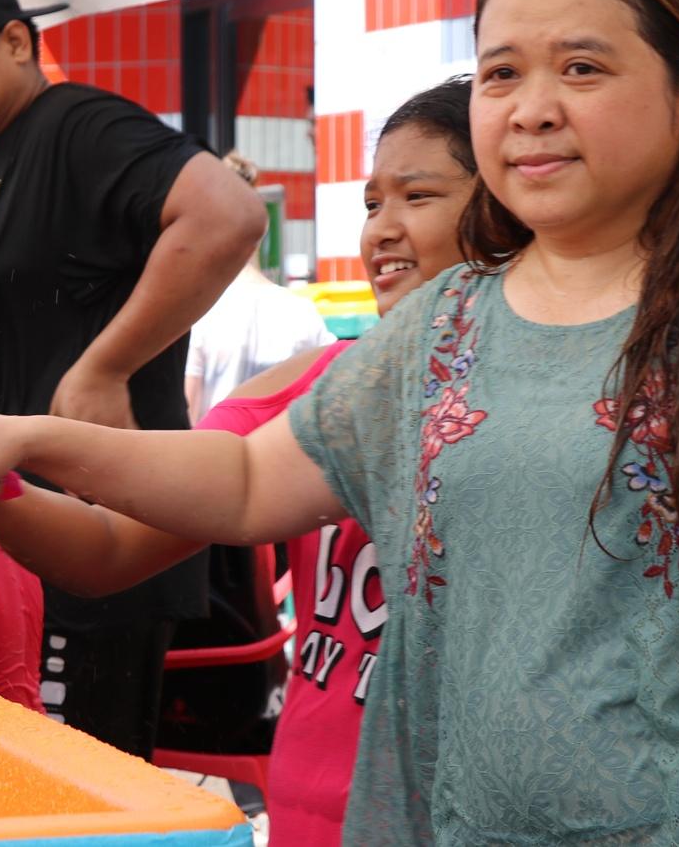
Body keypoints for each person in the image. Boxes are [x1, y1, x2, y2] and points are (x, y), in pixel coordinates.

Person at [0, 0, 679, 841]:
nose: (533, 109)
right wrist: (24, 444)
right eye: (501, 73)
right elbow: (249, 480)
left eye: (582, 67)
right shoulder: (440, 328)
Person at [0, 0, 266, 755]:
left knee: (80, 801)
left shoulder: (76, 127)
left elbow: (225, 214)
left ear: (17, 41)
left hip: (94, 547)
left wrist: (106, 365)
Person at [190, 77, 473, 845]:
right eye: (372, 204)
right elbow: (212, 485)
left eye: (416, 197)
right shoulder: (325, 383)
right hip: (302, 799)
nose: (382, 229)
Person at [183, 151, 335, 424]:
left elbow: (188, 417)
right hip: (285, 462)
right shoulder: (302, 311)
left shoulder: (198, 315)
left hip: (212, 459)